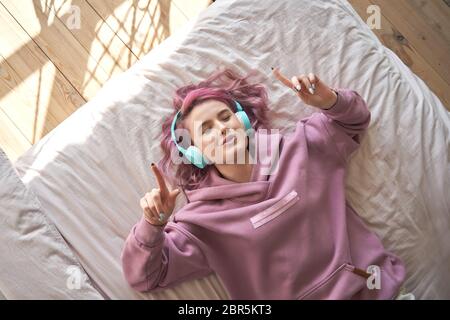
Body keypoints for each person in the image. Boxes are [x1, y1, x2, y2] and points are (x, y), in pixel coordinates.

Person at [121, 67, 409, 299]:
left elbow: (353, 121)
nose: (222, 128)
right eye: (206, 129)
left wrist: (331, 101)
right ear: (192, 152)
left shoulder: (303, 146)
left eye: (225, 117)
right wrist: (152, 225)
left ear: (244, 123)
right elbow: (145, 277)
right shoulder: (199, 224)